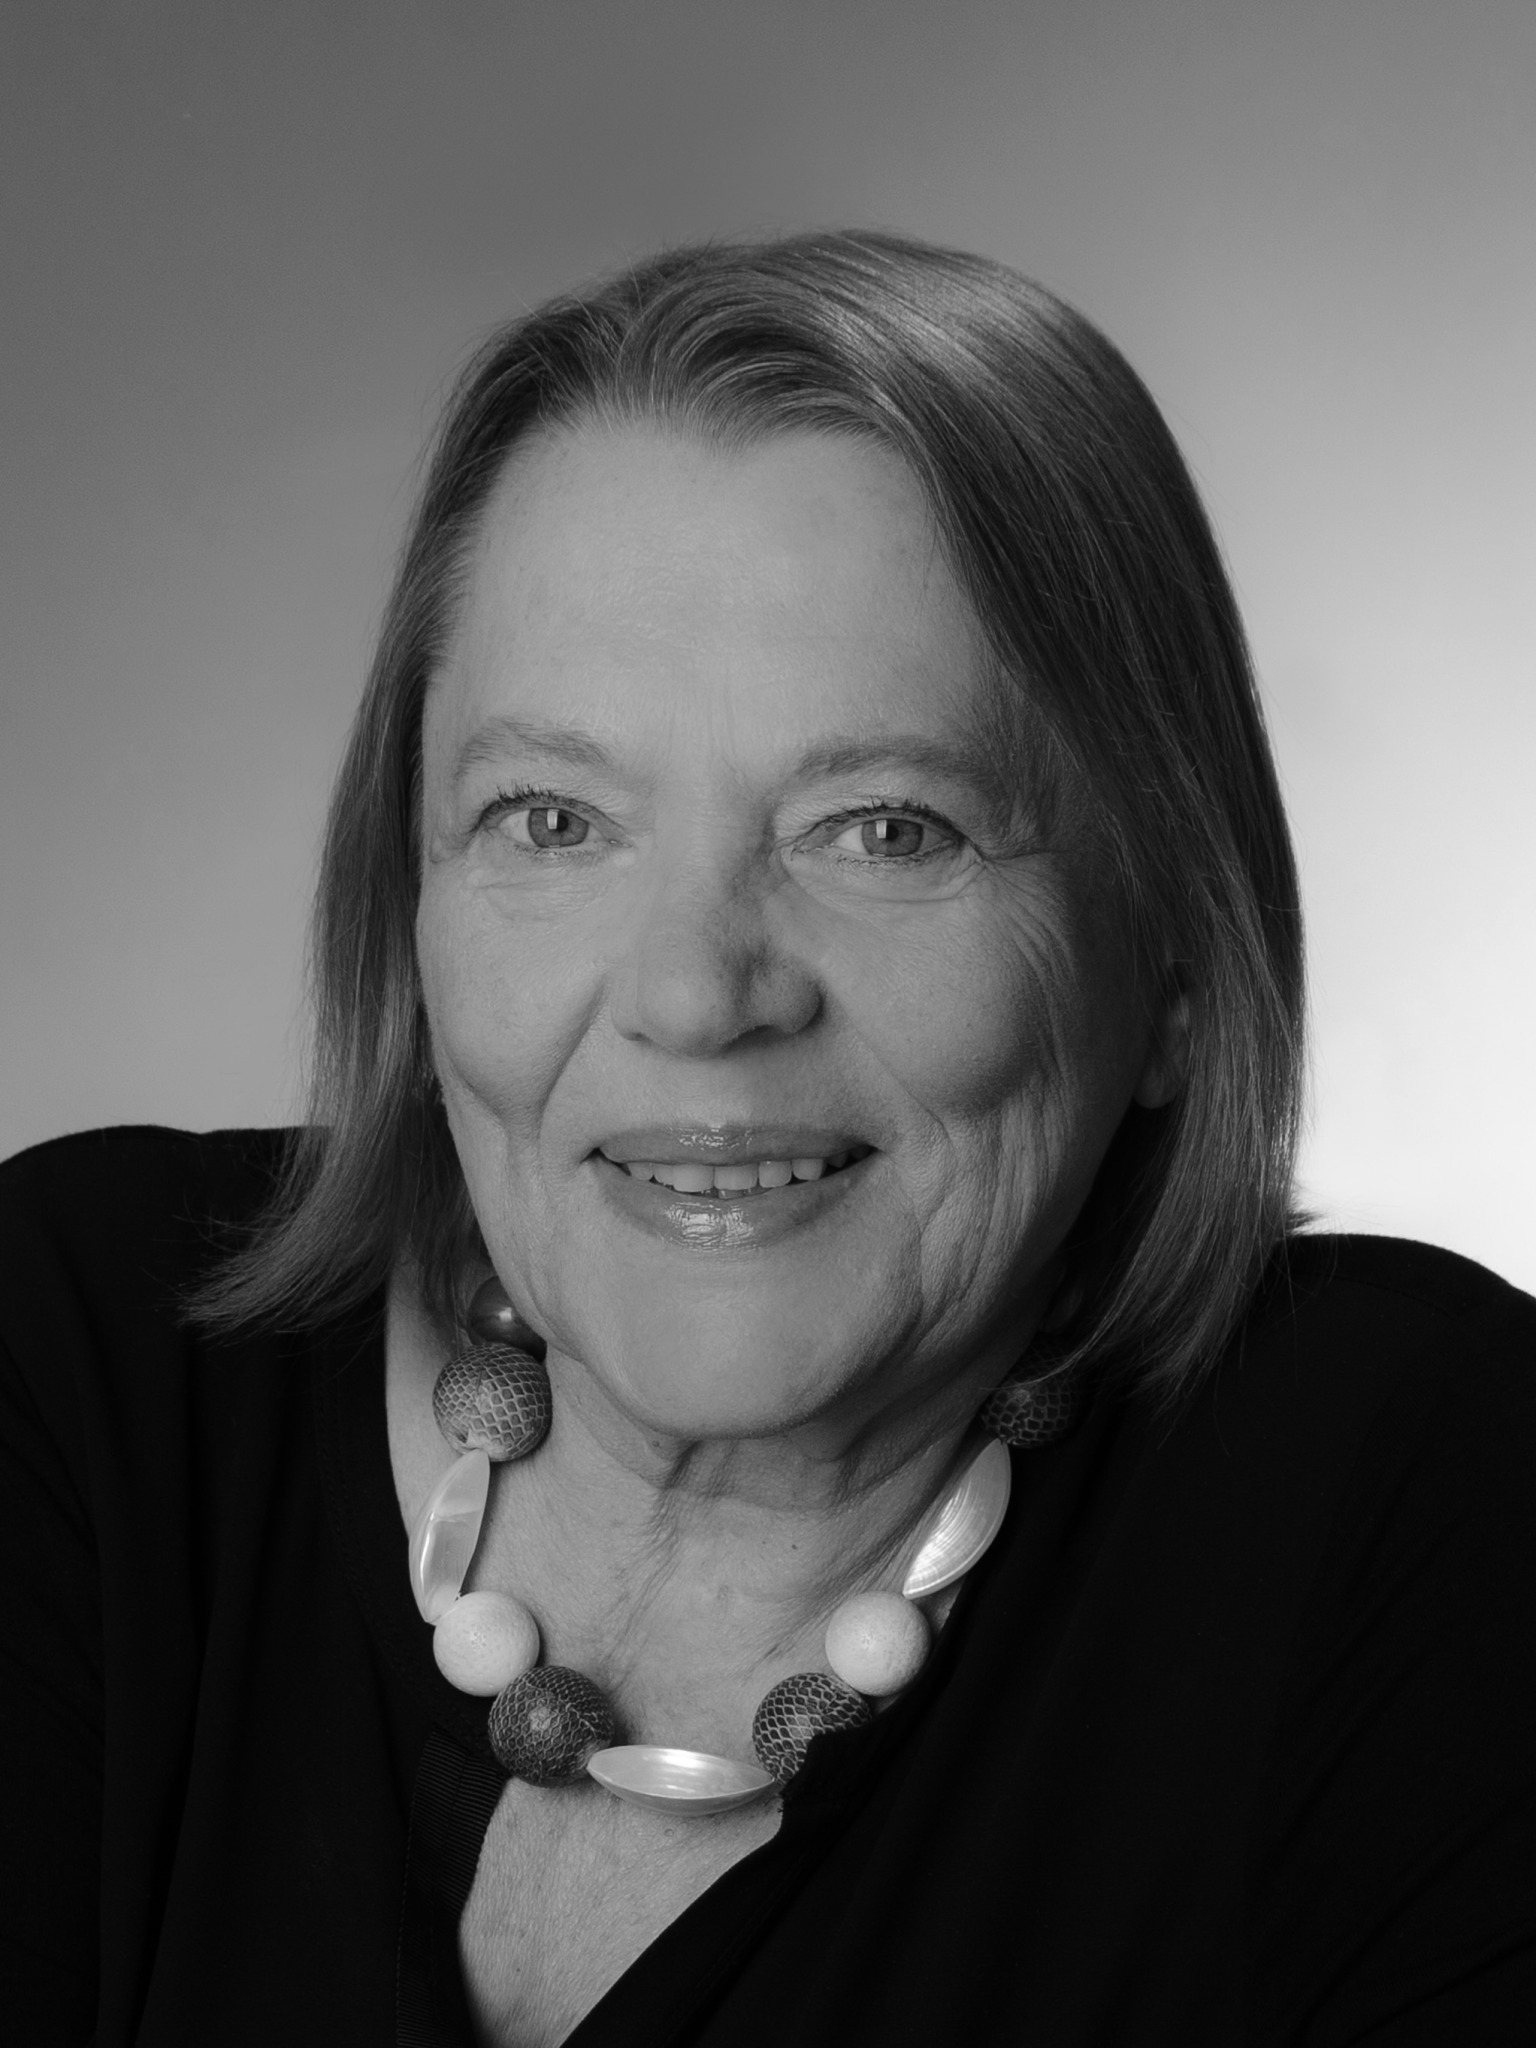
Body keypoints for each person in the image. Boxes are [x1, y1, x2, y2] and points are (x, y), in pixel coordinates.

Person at [2, 231, 1532, 2048]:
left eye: (885, 827)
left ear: (1178, 953)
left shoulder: (1418, 1502)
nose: (695, 992)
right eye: (551, 818)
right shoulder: (84, 1360)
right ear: (406, 905)